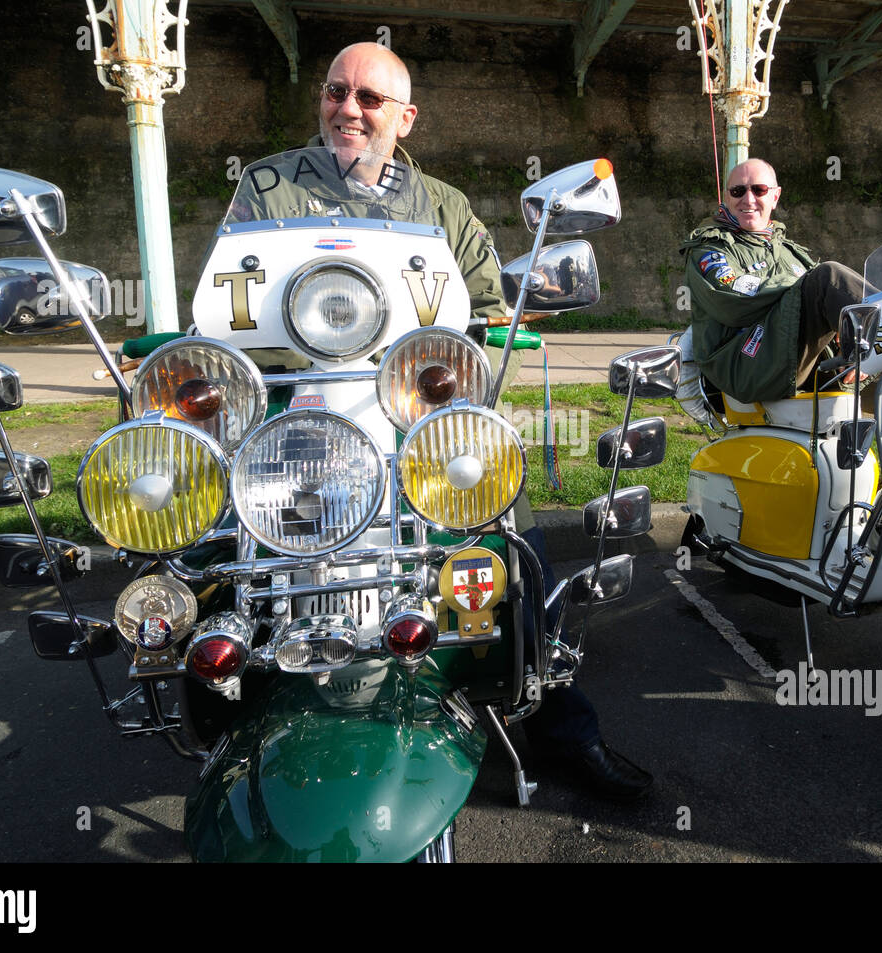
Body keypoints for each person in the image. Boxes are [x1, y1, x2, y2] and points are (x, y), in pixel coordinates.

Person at [243, 42, 652, 799]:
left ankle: (563, 726)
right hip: (303, 419)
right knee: (207, 548)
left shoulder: (444, 206)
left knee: (518, 550)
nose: (348, 109)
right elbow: (229, 303)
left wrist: (472, 372)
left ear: (406, 118)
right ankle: (239, 723)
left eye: (370, 99)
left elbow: (494, 315)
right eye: (336, 92)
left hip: (420, 421)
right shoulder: (268, 187)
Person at [680, 158, 871, 403]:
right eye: (738, 191)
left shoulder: (788, 251)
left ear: (775, 196)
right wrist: (802, 287)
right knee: (828, 277)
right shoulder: (710, 249)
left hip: (803, 361)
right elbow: (734, 301)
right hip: (745, 365)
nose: (748, 199)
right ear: (727, 198)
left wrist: (844, 331)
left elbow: (816, 304)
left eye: (759, 190)